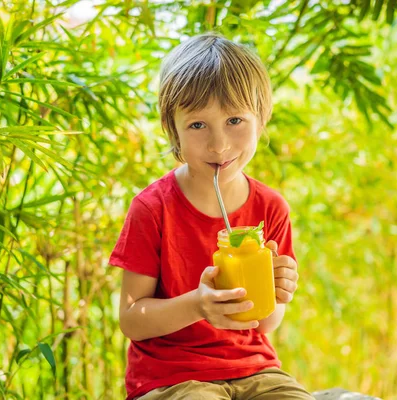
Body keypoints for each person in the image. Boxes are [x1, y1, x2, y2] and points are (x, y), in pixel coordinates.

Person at [109, 32, 313, 400]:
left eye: (235, 120)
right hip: (171, 377)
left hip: (255, 369)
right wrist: (198, 305)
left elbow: (265, 324)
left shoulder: (271, 208)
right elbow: (131, 320)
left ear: (261, 118)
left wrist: (278, 294)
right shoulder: (151, 209)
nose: (219, 145)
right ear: (174, 130)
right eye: (198, 125)